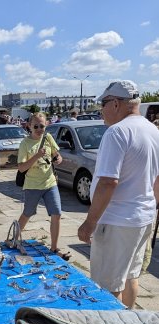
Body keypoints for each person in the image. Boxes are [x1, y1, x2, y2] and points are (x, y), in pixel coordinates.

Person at [78, 80, 159, 308]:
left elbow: (107, 182)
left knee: (107, 286)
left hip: (117, 221)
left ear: (115, 103)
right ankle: (129, 322)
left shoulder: (117, 132)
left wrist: (90, 222)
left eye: (103, 103)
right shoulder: (153, 130)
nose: (101, 110)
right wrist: (151, 208)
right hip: (142, 218)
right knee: (130, 276)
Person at [17, 112, 69, 259]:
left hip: (49, 182)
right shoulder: (25, 143)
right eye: (36, 126)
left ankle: (54, 247)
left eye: (42, 126)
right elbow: (21, 168)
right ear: (29, 126)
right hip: (32, 184)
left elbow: (56, 155)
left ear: (46, 125)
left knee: (57, 213)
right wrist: (37, 156)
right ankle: (14, 238)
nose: (39, 129)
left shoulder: (48, 138)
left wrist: (58, 158)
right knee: (27, 213)